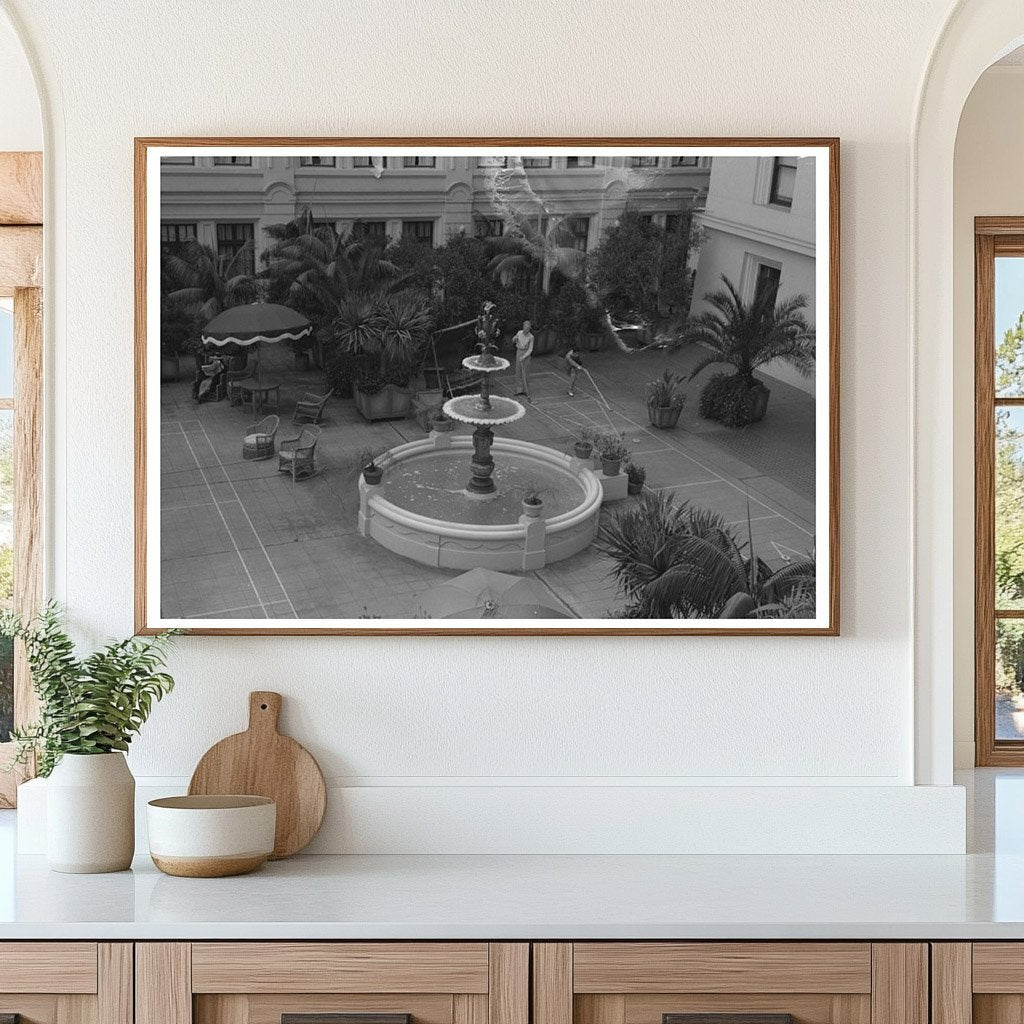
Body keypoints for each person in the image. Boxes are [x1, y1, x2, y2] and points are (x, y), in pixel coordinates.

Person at [512, 320, 534, 399]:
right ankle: (519, 390)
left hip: (526, 355)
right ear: (523, 327)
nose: (526, 330)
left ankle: (525, 390)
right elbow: (514, 341)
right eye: (525, 328)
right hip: (519, 352)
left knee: (525, 372)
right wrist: (515, 338)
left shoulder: (531, 337)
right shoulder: (519, 333)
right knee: (518, 371)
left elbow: (530, 349)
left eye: (528, 329)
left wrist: (524, 356)